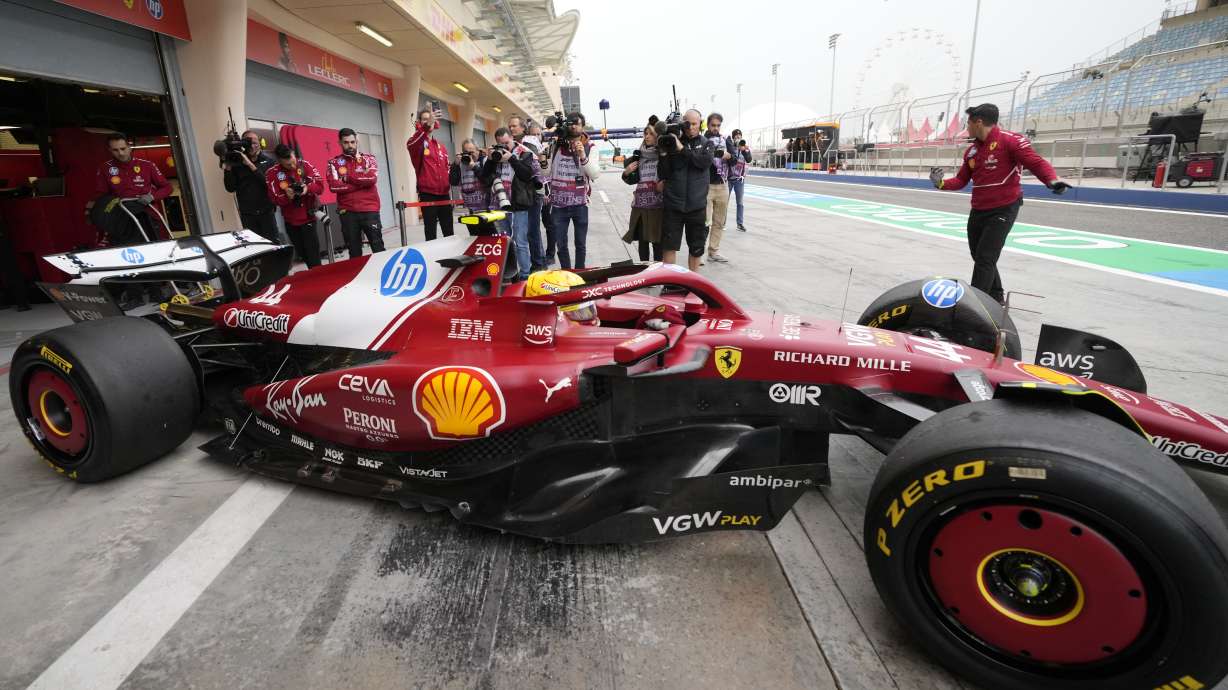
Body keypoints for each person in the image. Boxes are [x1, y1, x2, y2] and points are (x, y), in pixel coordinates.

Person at [929, 103, 1071, 304]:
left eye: (968, 123)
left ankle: (975, 305)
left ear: (978, 122)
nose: (966, 128)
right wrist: (941, 183)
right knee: (979, 255)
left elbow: (1035, 162)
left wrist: (1051, 180)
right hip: (978, 209)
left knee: (985, 259)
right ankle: (996, 297)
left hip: (1004, 208)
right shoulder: (971, 151)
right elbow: (961, 180)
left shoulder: (1011, 140)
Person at [90, 132, 172, 246]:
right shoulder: (105, 168)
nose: (120, 153)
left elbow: (167, 187)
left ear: (129, 147)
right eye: (115, 150)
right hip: (121, 217)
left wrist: (152, 197)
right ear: (109, 150)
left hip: (147, 214)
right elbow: (101, 196)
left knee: (153, 248)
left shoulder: (147, 165)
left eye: (123, 148)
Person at [482, 127, 540, 281]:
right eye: (500, 144)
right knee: (505, 242)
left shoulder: (524, 153)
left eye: (506, 143)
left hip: (518, 203)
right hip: (500, 205)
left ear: (512, 139)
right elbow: (484, 177)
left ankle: (525, 275)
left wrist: (512, 158)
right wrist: (490, 159)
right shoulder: (495, 155)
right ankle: (510, 274)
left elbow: (526, 175)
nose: (503, 147)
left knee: (520, 242)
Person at [657, 109, 712, 271]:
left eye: (695, 124)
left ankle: (693, 285)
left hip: (697, 206)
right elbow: (663, 173)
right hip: (673, 205)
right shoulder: (672, 142)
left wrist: (682, 149)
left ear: (700, 124)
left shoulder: (707, 143)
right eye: (688, 124)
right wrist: (664, 153)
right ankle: (669, 284)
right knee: (669, 246)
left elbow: (703, 162)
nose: (691, 127)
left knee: (696, 248)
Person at [545, 111, 600, 269]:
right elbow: (546, 173)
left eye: (577, 123)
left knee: (580, 244)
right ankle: (566, 274)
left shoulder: (590, 147)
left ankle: (580, 274)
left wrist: (582, 155)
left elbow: (595, 174)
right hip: (558, 205)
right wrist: (543, 161)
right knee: (561, 245)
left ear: (582, 126)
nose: (574, 126)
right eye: (571, 123)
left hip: (580, 204)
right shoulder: (555, 145)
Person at [326, 127, 383, 259]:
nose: (350, 145)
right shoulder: (333, 163)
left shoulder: (369, 159)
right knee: (354, 251)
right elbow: (334, 187)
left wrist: (348, 179)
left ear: (356, 142)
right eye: (346, 142)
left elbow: (372, 179)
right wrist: (361, 183)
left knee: (378, 247)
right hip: (348, 212)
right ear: (340, 143)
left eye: (352, 142)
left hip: (370, 209)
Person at [266, 144, 324, 269]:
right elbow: (274, 199)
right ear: (279, 161)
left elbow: (320, 186)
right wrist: (288, 196)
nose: (292, 166)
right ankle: (314, 277)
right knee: (303, 254)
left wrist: (308, 188)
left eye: (293, 161)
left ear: (294, 154)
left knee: (313, 256)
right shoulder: (272, 173)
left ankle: (320, 279)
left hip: (308, 217)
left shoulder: (305, 165)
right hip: (291, 221)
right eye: (288, 165)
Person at [222, 130, 280, 242]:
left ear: (260, 143)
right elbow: (230, 188)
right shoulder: (237, 163)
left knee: (273, 245)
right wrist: (228, 169)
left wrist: (249, 164)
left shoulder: (269, 162)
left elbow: (269, 184)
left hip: (266, 212)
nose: (252, 146)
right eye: (248, 143)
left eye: (254, 143)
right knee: (255, 247)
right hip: (247, 214)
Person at [407, 106, 454, 240]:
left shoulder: (441, 146)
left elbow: (447, 167)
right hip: (428, 194)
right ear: (419, 122)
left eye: (431, 119)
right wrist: (426, 126)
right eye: (425, 120)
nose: (429, 122)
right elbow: (416, 141)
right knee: (430, 233)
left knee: (449, 231)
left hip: (444, 194)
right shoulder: (414, 142)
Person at [620, 125, 664, 261]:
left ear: (658, 136)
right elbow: (632, 180)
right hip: (640, 207)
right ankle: (644, 277)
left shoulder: (663, 154)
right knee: (643, 244)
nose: (647, 136)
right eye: (646, 133)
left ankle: (658, 277)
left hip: (659, 206)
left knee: (658, 245)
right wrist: (626, 172)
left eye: (651, 133)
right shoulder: (638, 156)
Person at [509, 115, 547, 272]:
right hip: (523, 192)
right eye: (510, 126)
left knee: (532, 231)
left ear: (523, 128)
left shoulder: (527, 143)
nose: (512, 129)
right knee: (532, 231)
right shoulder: (516, 144)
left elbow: (528, 168)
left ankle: (538, 265)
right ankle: (540, 262)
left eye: (514, 126)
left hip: (532, 191)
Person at [702, 113, 734, 263]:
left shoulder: (725, 139)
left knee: (719, 221)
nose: (715, 128)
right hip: (706, 185)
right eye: (713, 125)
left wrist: (728, 156)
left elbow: (735, 161)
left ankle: (713, 251)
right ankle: (698, 254)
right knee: (704, 222)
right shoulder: (702, 140)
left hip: (722, 185)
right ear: (708, 125)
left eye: (718, 125)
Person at [449, 139, 488, 212]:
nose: (470, 155)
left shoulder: (485, 161)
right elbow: (453, 182)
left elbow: (487, 180)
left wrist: (474, 167)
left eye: (471, 152)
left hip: (486, 208)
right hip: (470, 209)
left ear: (478, 150)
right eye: (466, 152)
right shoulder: (461, 164)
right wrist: (455, 165)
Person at [727, 129, 752, 232]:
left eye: (739, 136)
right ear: (733, 138)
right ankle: (722, 223)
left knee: (740, 203)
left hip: (739, 179)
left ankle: (740, 224)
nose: (738, 138)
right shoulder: (730, 147)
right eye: (736, 136)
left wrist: (744, 150)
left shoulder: (744, 148)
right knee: (724, 202)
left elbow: (749, 159)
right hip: (728, 178)